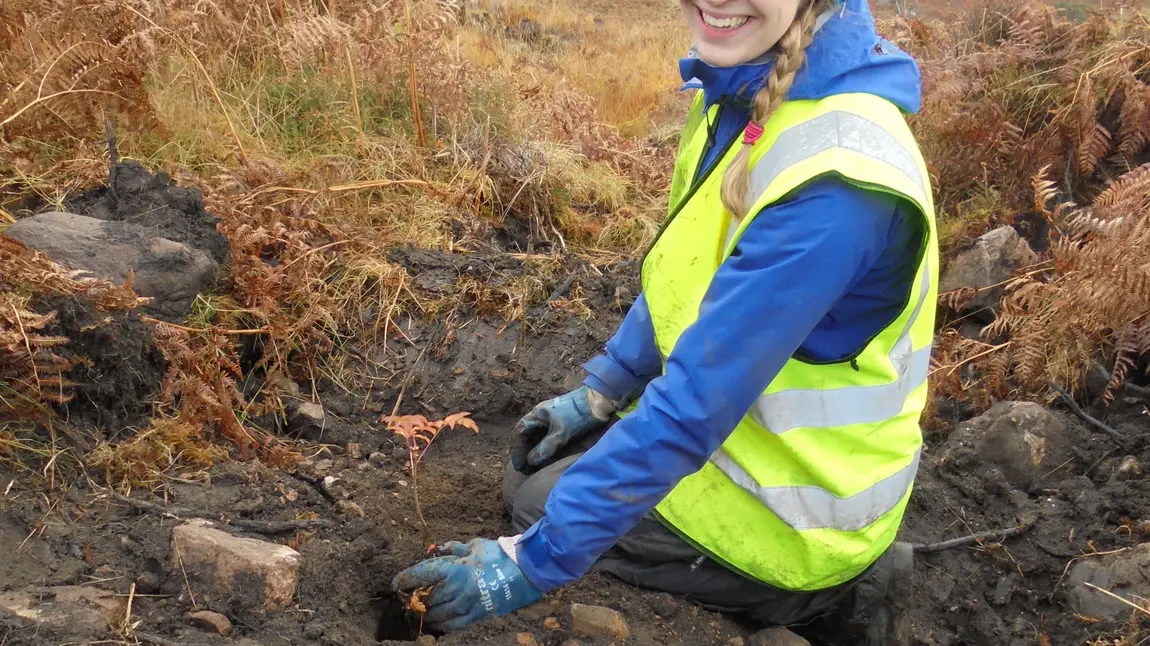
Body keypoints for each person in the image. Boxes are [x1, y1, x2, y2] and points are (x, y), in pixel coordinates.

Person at [392, 0, 937, 642]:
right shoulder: (742, 89)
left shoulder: (837, 185)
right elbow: (692, 263)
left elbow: (694, 405)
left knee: (538, 507)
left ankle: (813, 606)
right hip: (743, 438)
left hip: (801, 519)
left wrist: (530, 564)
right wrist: (605, 388)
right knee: (532, 473)